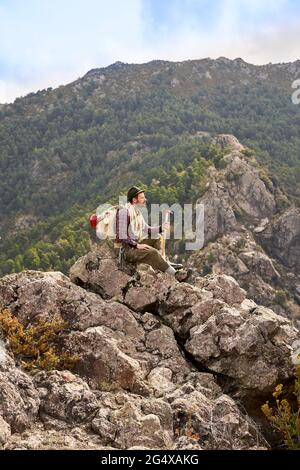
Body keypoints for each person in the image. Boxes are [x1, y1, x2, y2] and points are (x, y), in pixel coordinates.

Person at [113, 186, 183, 276]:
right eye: (142, 197)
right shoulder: (124, 212)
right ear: (134, 200)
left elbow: (147, 229)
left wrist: (161, 228)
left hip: (133, 245)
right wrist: (137, 245)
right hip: (124, 251)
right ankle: (175, 274)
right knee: (152, 252)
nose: (145, 199)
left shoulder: (137, 212)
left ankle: (164, 263)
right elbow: (121, 235)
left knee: (157, 237)